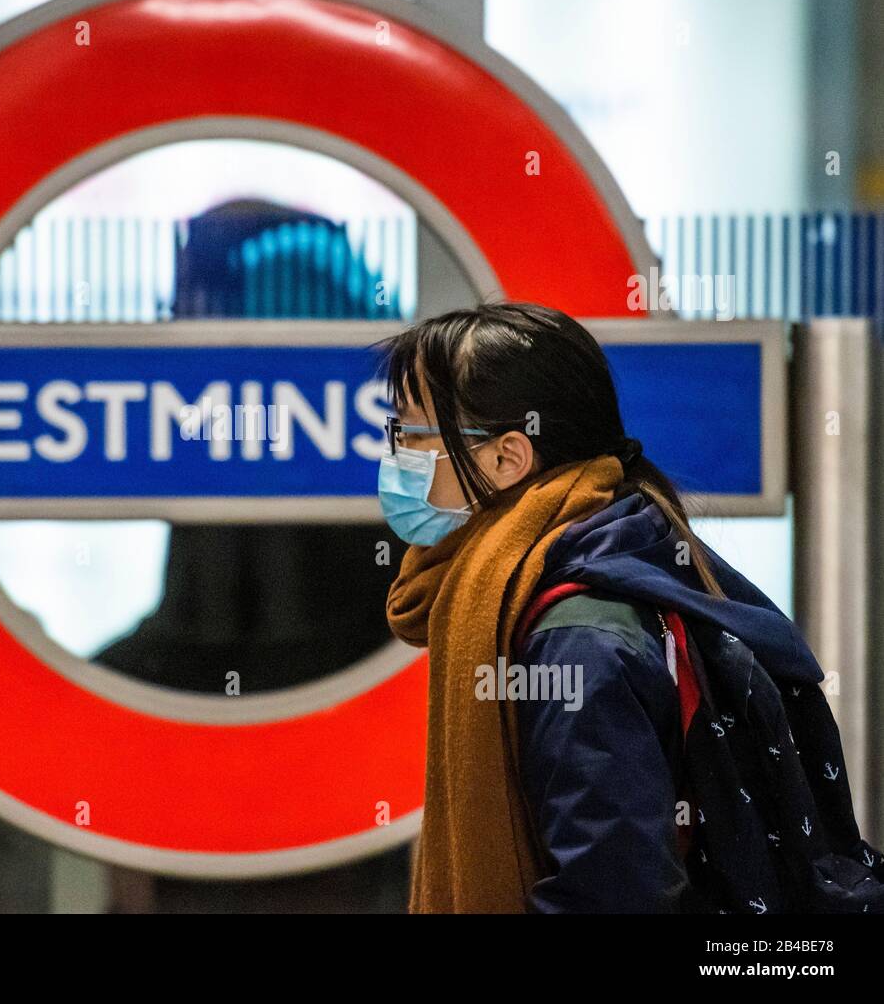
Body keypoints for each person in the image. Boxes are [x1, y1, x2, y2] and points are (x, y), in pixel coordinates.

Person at [376, 302, 881, 914]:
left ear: (507, 457)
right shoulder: (628, 558)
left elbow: (610, 893)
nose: (395, 453)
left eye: (409, 433)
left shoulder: (578, 637)